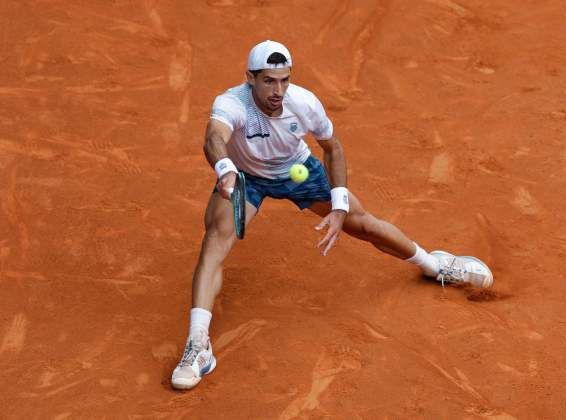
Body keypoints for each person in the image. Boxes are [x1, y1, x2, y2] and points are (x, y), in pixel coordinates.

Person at [170, 40, 493, 390]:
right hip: (244, 177)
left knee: (364, 224)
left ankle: (435, 265)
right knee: (216, 239)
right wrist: (225, 168)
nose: (278, 90)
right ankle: (198, 346)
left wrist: (338, 206)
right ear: (250, 78)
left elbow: (332, 148)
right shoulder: (231, 103)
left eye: (284, 80)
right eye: (268, 81)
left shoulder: (303, 103)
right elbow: (213, 138)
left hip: (300, 172)